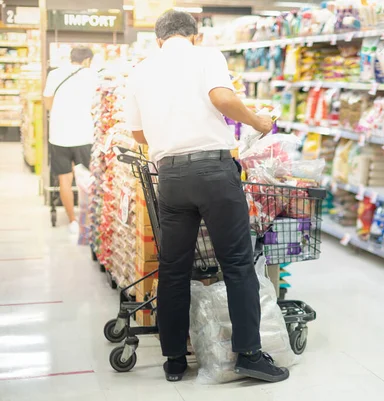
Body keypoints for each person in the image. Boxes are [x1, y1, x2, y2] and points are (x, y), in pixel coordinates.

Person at [124, 10, 289, 383]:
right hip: (213, 172)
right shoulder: (207, 56)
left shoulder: (140, 70)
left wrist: (172, 137)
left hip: (170, 177)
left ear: (159, 40)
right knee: (237, 265)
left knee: (173, 269)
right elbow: (221, 97)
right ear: (195, 36)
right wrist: (258, 122)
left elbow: (137, 133)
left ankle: (174, 360)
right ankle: (248, 353)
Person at [43, 46, 97, 234]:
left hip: (58, 135)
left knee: (64, 179)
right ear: (87, 60)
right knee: (88, 179)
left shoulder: (55, 74)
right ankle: (89, 220)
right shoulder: (92, 75)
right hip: (84, 134)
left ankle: (73, 221)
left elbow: (47, 103)